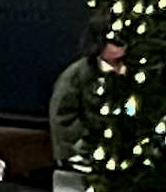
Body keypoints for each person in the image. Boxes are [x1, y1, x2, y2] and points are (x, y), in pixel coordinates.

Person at [46, 19, 123, 182]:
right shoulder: (76, 76)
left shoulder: (136, 72)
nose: (120, 48)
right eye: (113, 42)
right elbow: (62, 118)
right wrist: (83, 144)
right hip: (84, 158)